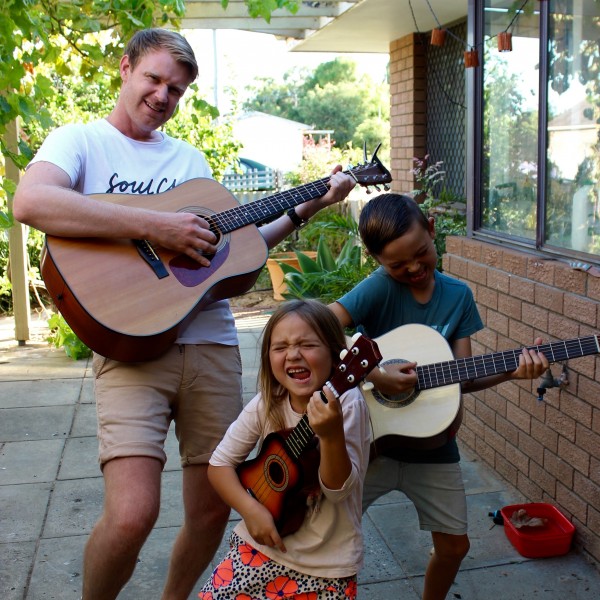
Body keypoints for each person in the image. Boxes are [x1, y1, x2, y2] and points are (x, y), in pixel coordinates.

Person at [12, 29, 355, 600]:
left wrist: (311, 203)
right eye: (154, 79)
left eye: (176, 90)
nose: (163, 96)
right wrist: (152, 224)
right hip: (131, 349)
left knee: (210, 514)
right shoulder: (80, 141)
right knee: (131, 516)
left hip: (212, 348)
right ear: (125, 69)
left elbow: (237, 250)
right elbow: (32, 202)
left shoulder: (189, 161)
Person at [328, 193, 549, 600]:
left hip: (434, 447)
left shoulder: (458, 295)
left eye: (421, 253)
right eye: (397, 264)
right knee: (326, 536)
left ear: (431, 229)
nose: (413, 268)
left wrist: (510, 373)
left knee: (455, 546)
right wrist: (375, 374)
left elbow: (461, 379)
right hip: (369, 443)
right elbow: (320, 327)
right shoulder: (377, 289)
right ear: (376, 260)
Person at [198, 299, 371, 599]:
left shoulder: (347, 402)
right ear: (268, 358)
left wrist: (330, 437)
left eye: (307, 344)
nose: (293, 355)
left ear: (334, 353)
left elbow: (338, 490)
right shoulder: (268, 402)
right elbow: (219, 466)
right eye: (280, 348)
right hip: (262, 546)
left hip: (326, 564)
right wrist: (250, 509)